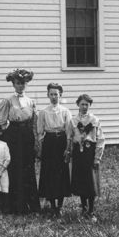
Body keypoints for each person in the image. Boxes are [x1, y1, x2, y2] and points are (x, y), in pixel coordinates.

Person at [0, 68, 40, 214]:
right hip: (13, 137)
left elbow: (34, 122)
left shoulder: (30, 101)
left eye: (23, 83)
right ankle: (14, 205)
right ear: (13, 84)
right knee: (14, 169)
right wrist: (5, 137)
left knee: (28, 168)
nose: (21, 86)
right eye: (18, 83)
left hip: (27, 136)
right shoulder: (8, 101)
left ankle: (30, 205)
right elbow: (1, 121)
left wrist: (35, 139)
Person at [36, 81, 72, 216]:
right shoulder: (43, 112)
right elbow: (40, 132)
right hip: (49, 143)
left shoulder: (65, 111)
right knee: (49, 172)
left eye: (56, 94)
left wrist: (68, 148)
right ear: (47, 95)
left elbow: (69, 131)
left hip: (62, 140)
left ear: (60, 95)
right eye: (51, 94)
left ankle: (60, 206)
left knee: (61, 172)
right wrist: (40, 147)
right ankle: (52, 204)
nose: (53, 97)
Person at [67, 93, 104, 219]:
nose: (84, 107)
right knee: (81, 180)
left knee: (90, 180)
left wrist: (97, 157)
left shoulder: (94, 120)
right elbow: (70, 138)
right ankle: (84, 208)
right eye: (82, 104)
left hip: (90, 151)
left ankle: (91, 210)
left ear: (90, 105)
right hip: (78, 152)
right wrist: (70, 152)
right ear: (78, 104)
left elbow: (100, 140)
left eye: (86, 104)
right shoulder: (73, 121)